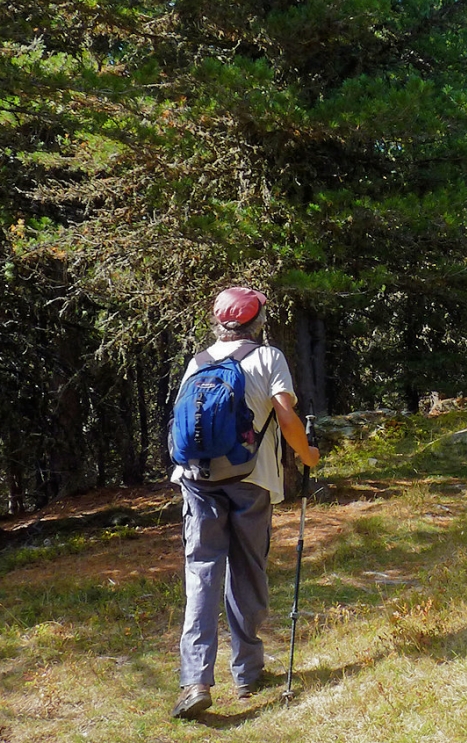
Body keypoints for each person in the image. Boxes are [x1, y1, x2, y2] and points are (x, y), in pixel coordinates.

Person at [170, 286, 320, 719]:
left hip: (197, 482)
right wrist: (308, 455)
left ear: (219, 323)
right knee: (247, 570)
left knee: (201, 573)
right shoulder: (269, 357)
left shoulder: (198, 362)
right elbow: (286, 416)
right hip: (251, 479)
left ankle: (195, 680)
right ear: (257, 322)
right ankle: (247, 671)